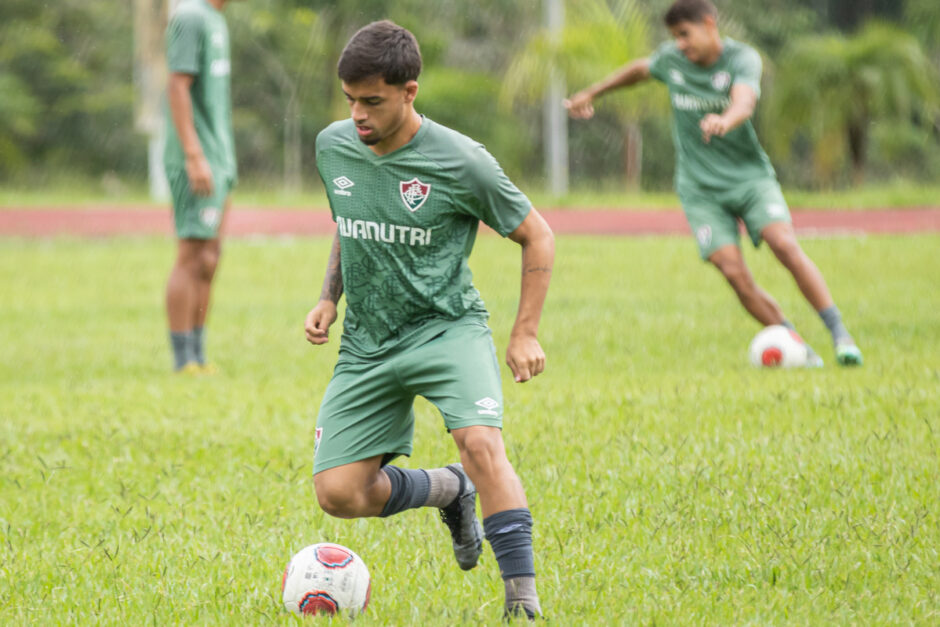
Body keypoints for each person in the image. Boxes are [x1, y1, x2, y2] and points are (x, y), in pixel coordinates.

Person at [304, 20, 554, 620]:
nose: (358, 115)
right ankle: (448, 490)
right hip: (368, 341)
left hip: (447, 329)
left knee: (480, 445)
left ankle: (522, 600)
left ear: (409, 91)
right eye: (350, 101)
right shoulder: (333, 145)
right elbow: (350, 220)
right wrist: (329, 298)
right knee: (338, 495)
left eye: (373, 101)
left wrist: (524, 333)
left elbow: (537, 236)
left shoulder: (462, 161)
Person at [564, 0, 863, 367]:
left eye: (685, 35)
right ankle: (800, 348)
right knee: (733, 272)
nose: (681, 45)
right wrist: (592, 93)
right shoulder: (672, 61)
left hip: (749, 178)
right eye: (675, 38)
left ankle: (840, 335)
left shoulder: (742, 58)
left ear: (709, 24)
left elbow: (745, 101)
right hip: (699, 189)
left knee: (783, 244)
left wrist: (726, 120)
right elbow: (640, 69)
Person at [163, 0, 239, 373]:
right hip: (197, 157)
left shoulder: (216, 19)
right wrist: (194, 155)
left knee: (210, 257)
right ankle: (182, 361)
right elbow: (176, 85)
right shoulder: (190, 16)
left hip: (221, 156)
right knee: (191, 253)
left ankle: (199, 354)